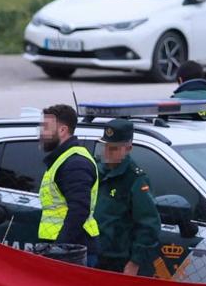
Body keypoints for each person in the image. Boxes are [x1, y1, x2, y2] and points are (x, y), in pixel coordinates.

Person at [94, 119, 161, 275]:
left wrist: (134, 262)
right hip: (93, 255)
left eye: (114, 148)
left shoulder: (135, 179)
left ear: (128, 148)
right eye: (106, 146)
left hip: (119, 261)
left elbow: (148, 224)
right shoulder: (96, 171)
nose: (107, 152)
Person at [38, 104, 100, 264]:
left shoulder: (75, 162)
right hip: (65, 248)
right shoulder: (63, 159)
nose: (41, 133)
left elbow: (79, 210)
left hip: (73, 253)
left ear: (62, 130)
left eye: (45, 127)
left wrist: (60, 249)